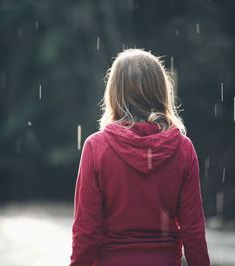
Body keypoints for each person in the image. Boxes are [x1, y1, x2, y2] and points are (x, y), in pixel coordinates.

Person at [69, 48, 210, 266]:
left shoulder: (96, 147)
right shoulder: (183, 149)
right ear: (162, 92)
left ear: (114, 93)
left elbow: (86, 231)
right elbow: (194, 232)